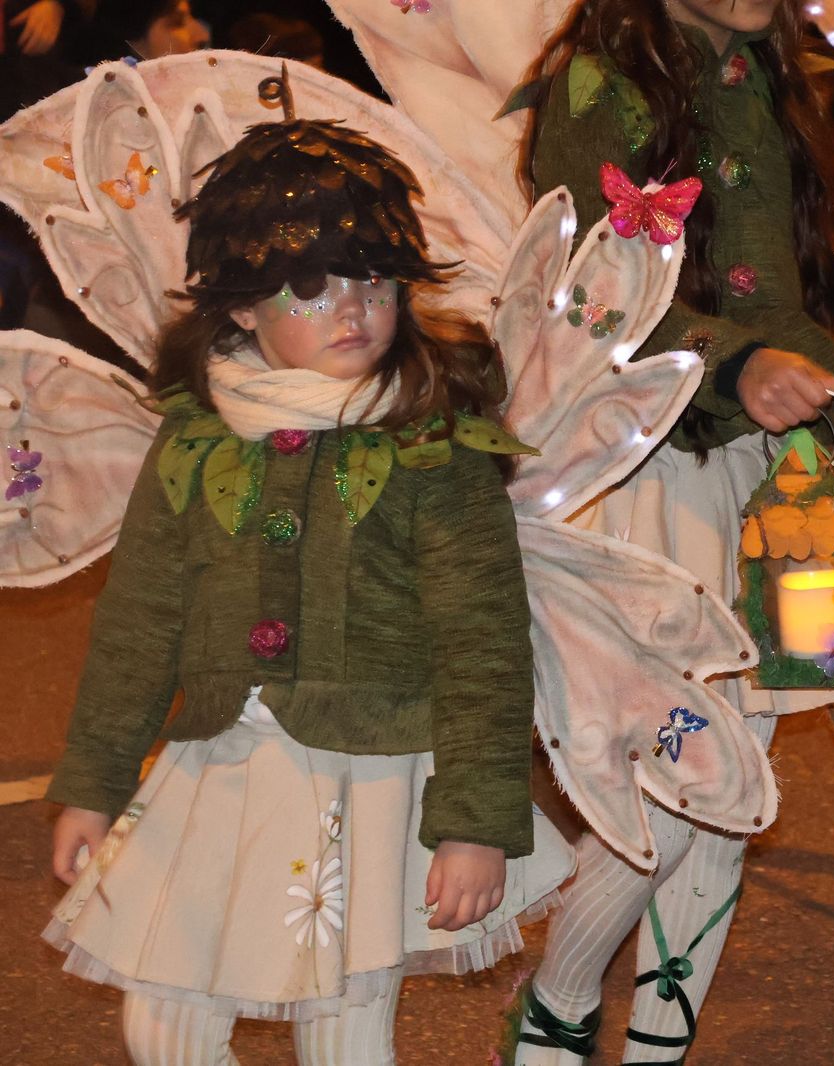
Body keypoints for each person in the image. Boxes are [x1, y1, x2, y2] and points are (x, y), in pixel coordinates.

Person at [42, 85, 569, 1065]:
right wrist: (95, 782)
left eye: (375, 281)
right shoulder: (194, 439)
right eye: (316, 285)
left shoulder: (432, 448)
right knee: (164, 1023)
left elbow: (483, 644)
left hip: (370, 781)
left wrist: (474, 823)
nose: (356, 309)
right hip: (222, 765)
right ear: (241, 302)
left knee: (342, 1031)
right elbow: (140, 621)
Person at [509, 0, 834, 1060]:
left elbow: (776, 283)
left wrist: (823, 383)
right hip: (643, 472)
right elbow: (588, 296)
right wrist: (736, 363)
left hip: (760, 473)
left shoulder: (766, 74)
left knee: (735, 801)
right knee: (668, 797)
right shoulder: (604, 84)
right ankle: (556, 1018)